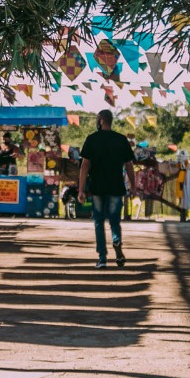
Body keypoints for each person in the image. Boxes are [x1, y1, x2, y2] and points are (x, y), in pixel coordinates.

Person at [77, 109, 136, 268]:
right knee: (115, 220)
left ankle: (102, 258)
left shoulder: (92, 139)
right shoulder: (121, 139)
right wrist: (133, 186)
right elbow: (129, 166)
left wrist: (81, 189)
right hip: (116, 187)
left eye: (97, 118)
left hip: (97, 187)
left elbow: (85, 166)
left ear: (102, 120)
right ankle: (116, 240)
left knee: (98, 221)